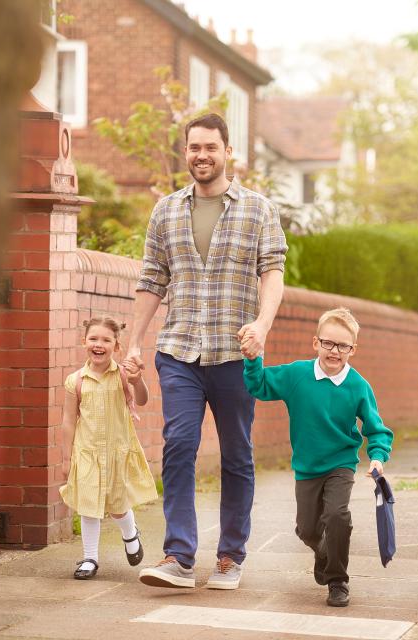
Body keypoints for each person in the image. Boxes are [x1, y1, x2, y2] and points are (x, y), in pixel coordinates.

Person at [125, 113, 287, 590]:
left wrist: (262, 323)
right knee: (178, 446)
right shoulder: (166, 211)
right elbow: (152, 280)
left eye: (210, 147)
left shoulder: (258, 210)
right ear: (187, 152)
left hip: (235, 354)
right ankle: (178, 555)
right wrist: (135, 341)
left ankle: (230, 557)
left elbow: (272, 272)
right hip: (180, 351)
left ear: (227, 151)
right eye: (193, 147)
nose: (201, 155)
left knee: (237, 454)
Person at [241, 307, 393, 607]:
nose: (334, 351)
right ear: (316, 343)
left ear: (353, 349)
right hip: (307, 466)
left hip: (341, 463)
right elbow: (258, 385)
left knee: (338, 516)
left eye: (343, 346)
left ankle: (338, 581)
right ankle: (325, 551)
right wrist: (252, 358)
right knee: (307, 529)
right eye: (328, 343)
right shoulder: (297, 374)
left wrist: (377, 457)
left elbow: (378, 430)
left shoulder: (358, 386)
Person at [59, 316, 158, 580]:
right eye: (93, 339)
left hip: (117, 451)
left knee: (117, 504)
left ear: (117, 346)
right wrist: (66, 458)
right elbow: (69, 421)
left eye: (106, 340)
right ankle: (90, 558)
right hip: (87, 452)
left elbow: (143, 399)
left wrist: (137, 381)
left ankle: (130, 533)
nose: (98, 344)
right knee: (89, 505)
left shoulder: (123, 375)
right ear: (84, 342)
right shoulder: (76, 380)